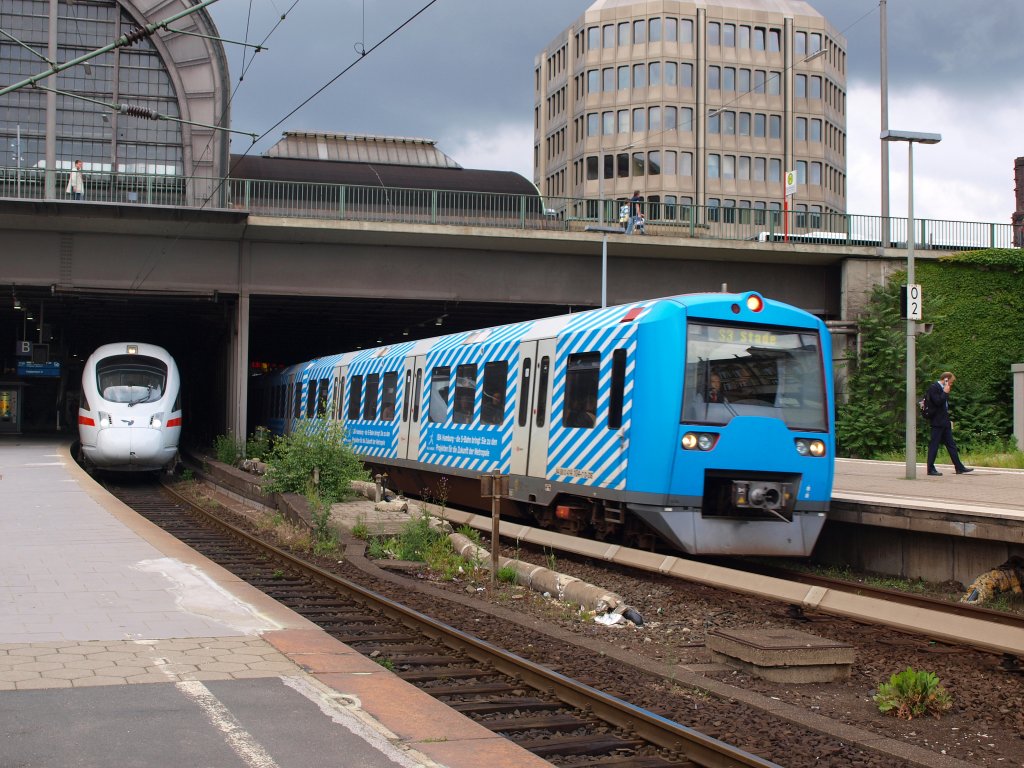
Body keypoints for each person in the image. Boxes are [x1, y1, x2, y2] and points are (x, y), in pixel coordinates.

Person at [925, 371, 972, 476]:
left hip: (944, 421)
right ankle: (930, 468)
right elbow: (937, 402)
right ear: (945, 379)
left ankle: (959, 467)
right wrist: (945, 392)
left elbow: (944, 406)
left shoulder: (943, 388)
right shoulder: (934, 387)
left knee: (951, 445)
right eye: (950, 382)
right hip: (937, 422)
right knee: (934, 445)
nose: (951, 384)